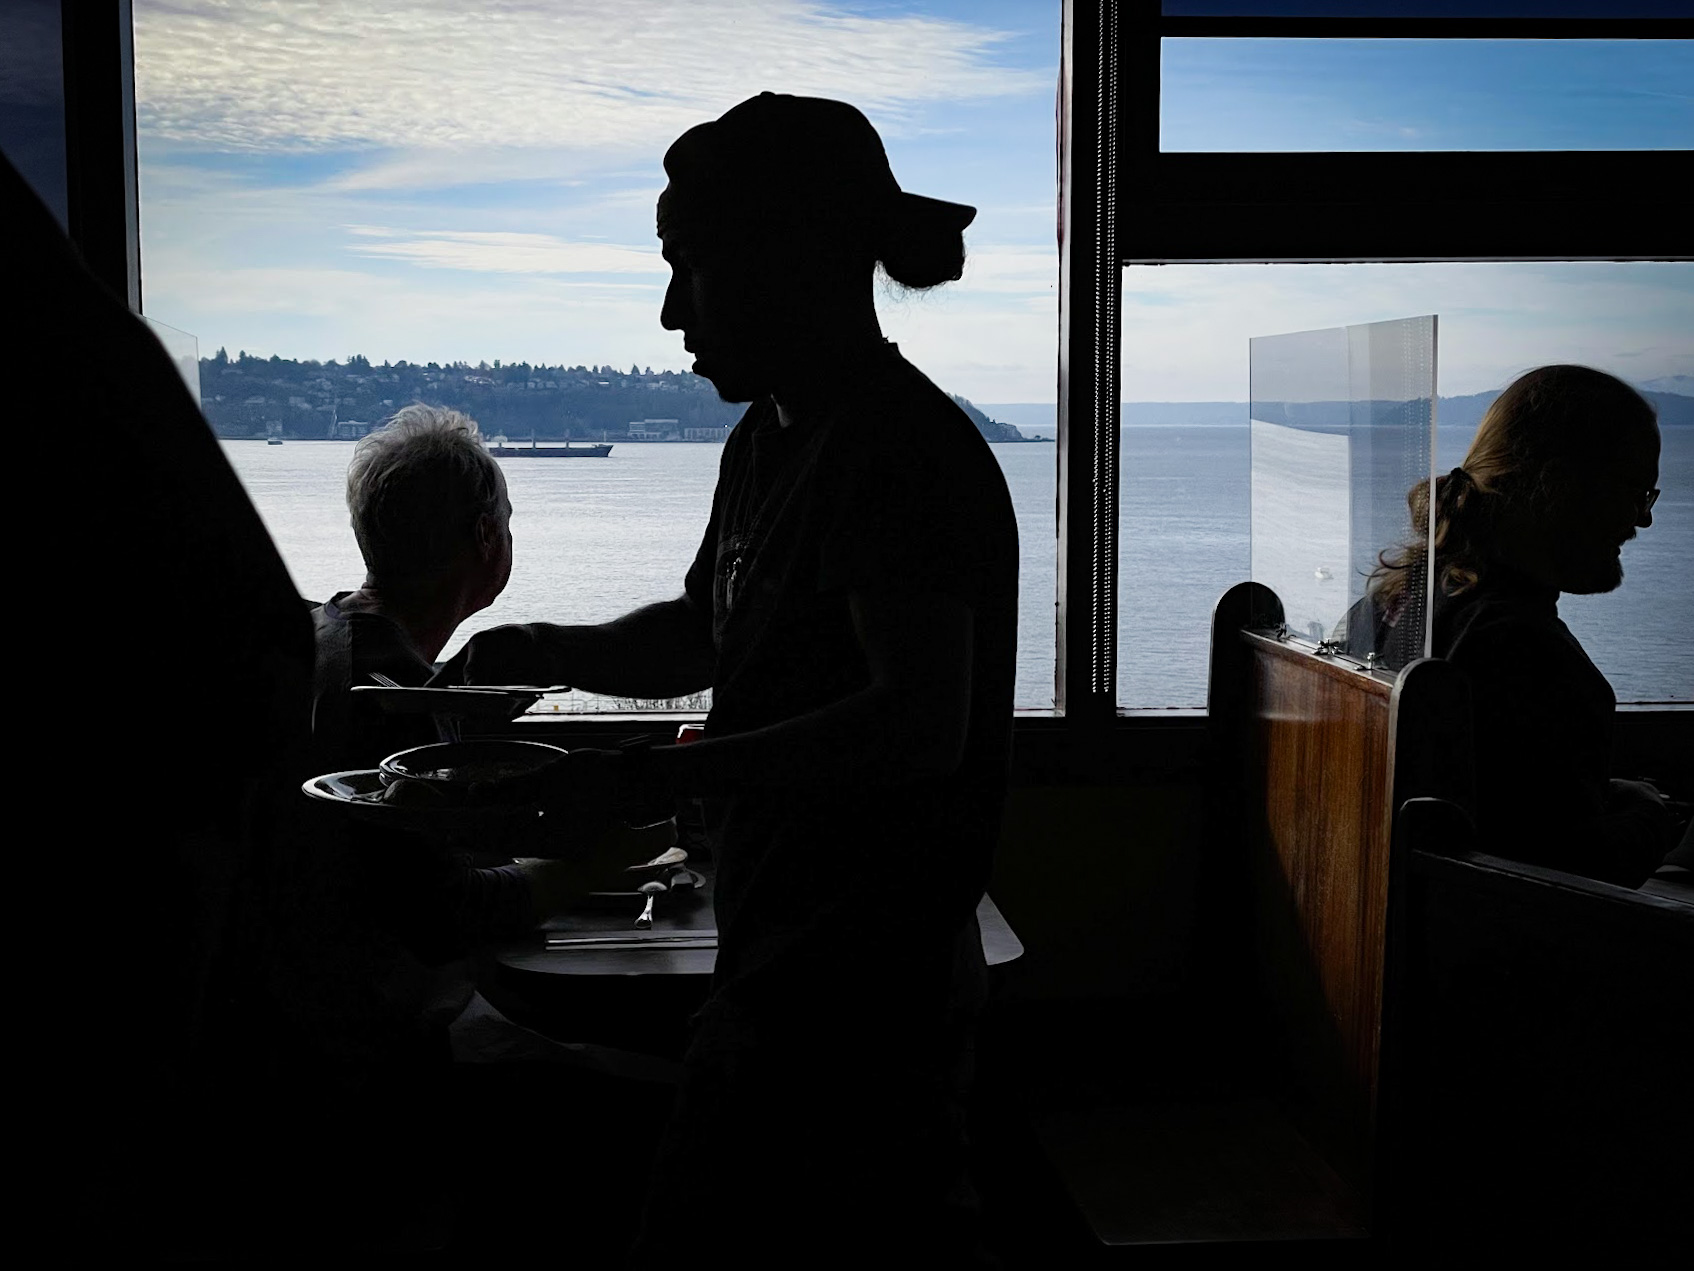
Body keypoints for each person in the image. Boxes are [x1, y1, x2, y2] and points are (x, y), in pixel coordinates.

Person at [436, 93, 1019, 1264]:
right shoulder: (772, 439)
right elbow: (709, 632)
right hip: (782, 971)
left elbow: (915, 724)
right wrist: (550, 646)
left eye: (685, 266)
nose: (667, 311)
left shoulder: (897, 454)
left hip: (861, 1004)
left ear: (789, 257)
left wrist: (657, 777)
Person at [1364, 365, 1682, 887]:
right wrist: (1654, 821)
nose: (1642, 519)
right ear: (1560, 486)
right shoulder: (1524, 652)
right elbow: (1567, 881)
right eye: (1634, 490)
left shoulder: (1392, 601)